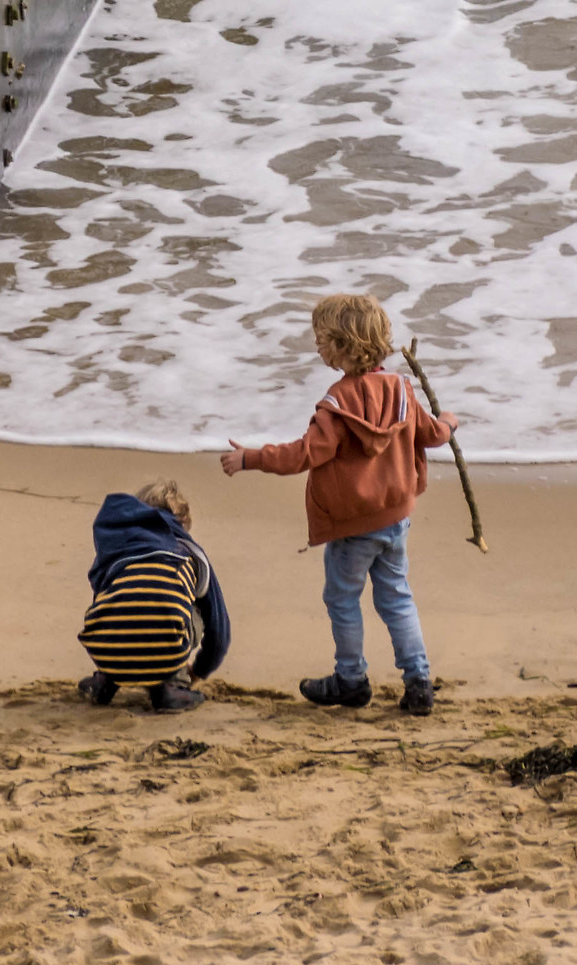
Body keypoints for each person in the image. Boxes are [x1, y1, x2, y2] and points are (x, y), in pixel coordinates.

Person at [220, 294, 456, 717]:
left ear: (342, 348)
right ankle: (418, 680)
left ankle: (351, 679)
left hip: (351, 528)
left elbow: (303, 454)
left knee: (343, 599)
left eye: (321, 340)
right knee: (397, 598)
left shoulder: (337, 404)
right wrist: (450, 422)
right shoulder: (402, 390)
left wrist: (250, 458)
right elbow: (433, 435)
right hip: (396, 518)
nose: (316, 347)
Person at [76, 480, 230, 714]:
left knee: (122, 605)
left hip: (105, 648)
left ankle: (106, 681)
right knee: (183, 608)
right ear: (183, 522)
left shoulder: (116, 550)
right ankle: (170, 686)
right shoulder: (190, 552)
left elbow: (103, 601)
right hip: (164, 647)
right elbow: (219, 634)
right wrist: (198, 672)